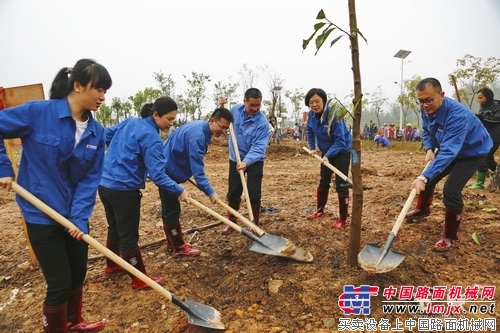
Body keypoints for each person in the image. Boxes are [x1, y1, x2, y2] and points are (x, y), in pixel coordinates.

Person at [0, 59, 111, 332]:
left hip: (74, 214)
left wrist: (79, 218)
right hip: (41, 212)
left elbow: (89, 179)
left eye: (105, 90)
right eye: (98, 88)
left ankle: (74, 321)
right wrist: (3, 167)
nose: (102, 96)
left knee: (77, 275)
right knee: (59, 282)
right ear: (77, 86)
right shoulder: (39, 113)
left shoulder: (97, 132)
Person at [98, 97, 188, 289]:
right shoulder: (152, 138)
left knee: (114, 227)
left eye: (173, 120)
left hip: (104, 185)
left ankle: (113, 265)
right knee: (129, 235)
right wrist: (179, 190)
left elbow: (105, 136)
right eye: (169, 119)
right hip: (124, 190)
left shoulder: (131, 122)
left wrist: (119, 155)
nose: (171, 123)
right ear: (155, 115)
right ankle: (139, 278)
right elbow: (158, 176)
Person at [405, 78, 492, 251]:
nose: (425, 105)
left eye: (429, 100)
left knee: (451, 190)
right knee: (429, 179)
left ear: (441, 95)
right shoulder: (426, 109)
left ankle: (450, 236)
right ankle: (423, 210)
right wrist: (429, 148)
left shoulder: (457, 115)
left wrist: (423, 176)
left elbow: (450, 151)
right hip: (449, 147)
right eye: (421, 101)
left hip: (472, 152)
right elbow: (427, 130)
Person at [160, 107, 234, 254]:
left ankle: (172, 243)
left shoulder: (202, 128)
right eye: (222, 127)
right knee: (172, 209)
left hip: (170, 165)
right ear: (212, 121)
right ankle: (178, 247)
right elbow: (198, 171)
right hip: (167, 171)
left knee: (169, 209)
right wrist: (210, 192)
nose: (223, 131)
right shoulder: (198, 136)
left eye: (226, 129)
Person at [222, 88, 270, 233]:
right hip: (235, 158)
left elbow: (259, 147)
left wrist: (246, 162)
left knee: (254, 192)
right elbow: (223, 119)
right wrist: (221, 107)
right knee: (233, 192)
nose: (255, 108)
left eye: (258, 105)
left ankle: (253, 225)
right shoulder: (235, 110)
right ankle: (232, 222)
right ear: (245, 102)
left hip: (254, 160)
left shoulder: (262, 123)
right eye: (252, 105)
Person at [304, 88, 352, 228]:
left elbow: (341, 141)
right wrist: (312, 147)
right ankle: (320, 210)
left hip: (342, 151)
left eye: (317, 101)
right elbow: (309, 130)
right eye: (311, 102)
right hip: (326, 152)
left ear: (324, 101)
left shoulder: (334, 115)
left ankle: (343, 218)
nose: (314, 104)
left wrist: (327, 155)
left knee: (341, 184)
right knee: (323, 181)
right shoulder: (311, 115)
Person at [469, 87, 500, 189]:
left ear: (488, 96)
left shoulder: (497, 106)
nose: (479, 100)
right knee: (489, 160)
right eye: (478, 98)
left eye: (481, 98)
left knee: (483, 157)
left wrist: (483, 118)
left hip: (495, 137)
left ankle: (480, 183)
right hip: (485, 137)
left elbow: (496, 120)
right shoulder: (483, 106)